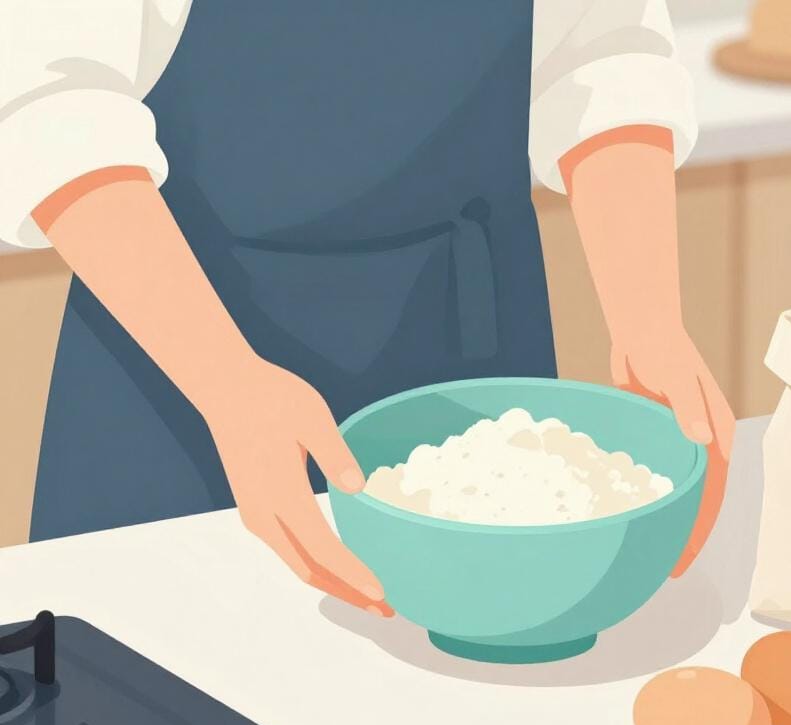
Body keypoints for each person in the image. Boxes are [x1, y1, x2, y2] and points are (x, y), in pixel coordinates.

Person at [1, 1, 734, 618]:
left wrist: (648, 324)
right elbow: (55, 107)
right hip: (182, 347)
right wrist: (227, 383)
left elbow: (604, 54)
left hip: (464, 349)